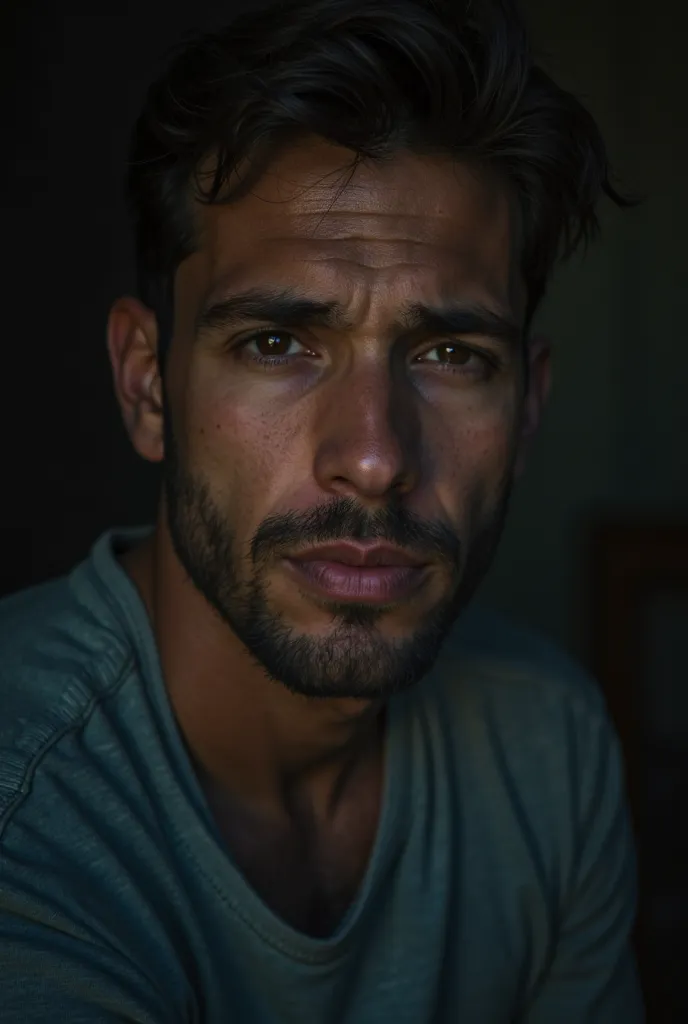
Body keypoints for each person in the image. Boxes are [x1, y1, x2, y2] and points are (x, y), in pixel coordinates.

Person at [0, 0, 644, 1020]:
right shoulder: (25, 807)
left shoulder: (547, 740)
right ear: (147, 385)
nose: (376, 457)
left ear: (525, 410)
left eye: (449, 356)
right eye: (276, 344)